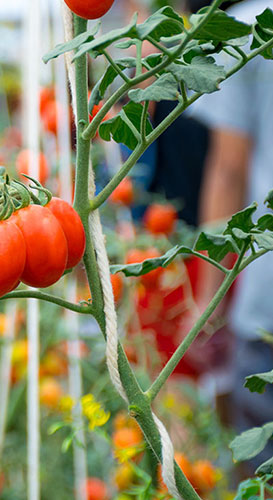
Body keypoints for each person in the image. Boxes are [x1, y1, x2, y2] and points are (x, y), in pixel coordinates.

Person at [188, 0, 273, 471]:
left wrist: (208, 299)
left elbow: (228, 170)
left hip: (267, 311)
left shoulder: (249, 26)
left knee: (261, 472)